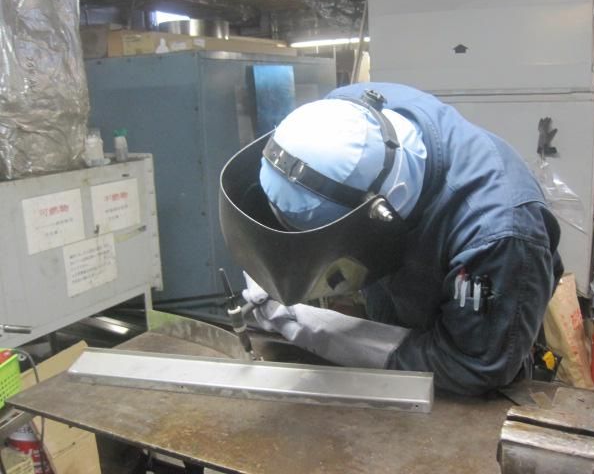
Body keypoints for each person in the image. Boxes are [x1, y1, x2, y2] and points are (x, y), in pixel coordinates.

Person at [219, 82, 564, 395]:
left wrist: (320, 331)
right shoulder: (343, 113)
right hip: (394, 303)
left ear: (383, 211)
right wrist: (278, 270)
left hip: (462, 376)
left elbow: (475, 365)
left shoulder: (498, 235)